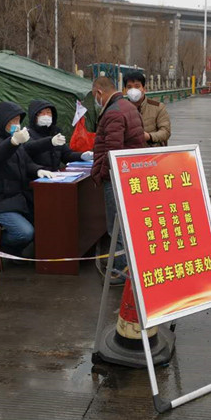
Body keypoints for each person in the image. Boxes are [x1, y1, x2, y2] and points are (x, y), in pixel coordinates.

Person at [0, 101, 56, 257]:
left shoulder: (14, 139)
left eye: (18, 121)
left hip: (14, 198)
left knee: (45, 220)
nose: (16, 125)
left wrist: (39, 170)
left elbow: (26, 163)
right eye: (12, 121)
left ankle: (23, 250)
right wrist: (12, 142)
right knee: (25, 233)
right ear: (2, 120)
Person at [91, 76, 146, 283]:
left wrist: (100, 173)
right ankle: (127, 265)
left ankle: (120, 270)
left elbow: (112, 152)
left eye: (94, 96)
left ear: (99, 92)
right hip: (130, 173)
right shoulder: (129, 107)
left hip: (116, 177)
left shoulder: (113, 113)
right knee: (126, 222)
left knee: (116, 226)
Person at [25, 99, 92, 171]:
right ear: (34, 116)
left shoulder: (54, 132)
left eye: (48, 112)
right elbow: (30, 148)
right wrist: (50, 142)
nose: (46, 116)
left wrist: (81, 156)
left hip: (55, 175)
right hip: (36, 175)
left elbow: (66, 155)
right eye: (41, 113)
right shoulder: (26, 133)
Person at [124, 71, 171, 146]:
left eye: (137, 86)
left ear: (144, 89)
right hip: (128, 151)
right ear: (125, 90)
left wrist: (149, 137)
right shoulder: (120, 109)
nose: (133, 90)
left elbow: (165, 132)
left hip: (152, 150)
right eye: (129, 87)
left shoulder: (158, 107)